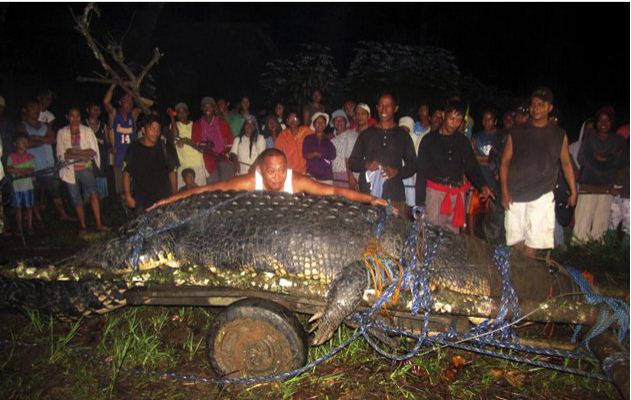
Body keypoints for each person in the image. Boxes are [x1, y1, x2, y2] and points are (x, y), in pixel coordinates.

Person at [148, 148, 389, 212]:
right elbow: (209, 189)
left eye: (281, 170)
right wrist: (168, 200)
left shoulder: (296, 182)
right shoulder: (250, 181)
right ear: (261, 171)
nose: (277, 177)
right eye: (271, 172)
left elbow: (335, 192)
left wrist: (370, 199)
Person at [500, 87, 577, 257]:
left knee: (534, 241)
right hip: (516, 193)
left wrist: (573, 191)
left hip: (542, 194)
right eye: (533, 104)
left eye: (541, 104)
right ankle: (522, 272)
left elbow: (566, 163)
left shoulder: (559, 134)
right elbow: (504, 161)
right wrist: (504, 191)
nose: (536, 108)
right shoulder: (518, 131)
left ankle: (525, 278)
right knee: (515, 240)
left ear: (550, 107)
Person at [415, 100, 494, 233]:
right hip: (434, 196)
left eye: (458, 119)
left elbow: (472, 166)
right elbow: (421, 172)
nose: (454, 123)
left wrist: (483, 185)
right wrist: (420, 202)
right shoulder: (429, 140)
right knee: (430, 234)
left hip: (456, 196)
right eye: (452, 117)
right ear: (443, 115)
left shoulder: (463, 142)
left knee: (452, 238)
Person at [348, 94, 417, 213]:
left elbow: (413, 165)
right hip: (367, 197)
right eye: (380, 106)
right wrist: (367, 164)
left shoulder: (403, 136)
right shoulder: (366, 134)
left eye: (388, 106)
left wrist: (397, 172)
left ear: (395, 108)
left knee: (393, 231)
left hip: (394, 196)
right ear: (377, 107)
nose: (383, 110)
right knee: (365, 231)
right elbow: (352, 162)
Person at [572, 106, 625, 243]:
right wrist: (608, 159)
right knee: (581, 229)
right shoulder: (589, 138)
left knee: (599, 229)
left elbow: (621, 162)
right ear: (597, 122)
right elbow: (582, 159)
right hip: (588, 188)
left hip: (607, 190)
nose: (603, 123)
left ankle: (595, 258)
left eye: (607, 120)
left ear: (612, 122)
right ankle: (578, 256)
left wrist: (599, 158)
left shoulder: (618, 140)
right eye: (601, 120)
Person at [16, 100, 73, 222]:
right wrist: (44, 139)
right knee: (34, 192)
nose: (36, 111)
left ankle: (63, 215)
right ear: (26, 109)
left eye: (37, 108)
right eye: (32, 107)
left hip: (48, 165)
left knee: (55, 191)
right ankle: (36, 218)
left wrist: (36, 138)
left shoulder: (45, 125)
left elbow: (53, 139)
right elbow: (25, 144)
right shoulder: (22, 126)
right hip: (31, 166)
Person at [56, 107, 110, 234]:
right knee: (76, 198)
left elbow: (92, 152)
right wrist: (82, 154)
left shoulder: (86, 131)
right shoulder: (62, 133)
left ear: (80, 117)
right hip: (69, 170)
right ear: (67, 117)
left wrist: (73, 152)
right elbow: (62, 155)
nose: (75, 119)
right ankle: (83, 225)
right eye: (72, 116)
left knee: (93, 193)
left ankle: (99, 223)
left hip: (86, 168)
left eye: (78, 116)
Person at [103, 83, 153, 195]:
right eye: (125, 100)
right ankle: (124, 209)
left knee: (134, 186)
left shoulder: (133, 114)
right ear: (120, 101)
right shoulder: (114, 113)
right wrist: (112, 85)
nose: (129, 103)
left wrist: (134, 95)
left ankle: (135, 208)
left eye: (131, 101)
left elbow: (150, 103)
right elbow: (106, 102)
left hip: (132, 155)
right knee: (121, 189)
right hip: (119, 155)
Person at [123, 115, 177, 215]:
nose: (156, 133)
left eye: (158, 129)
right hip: (142, 199)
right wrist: (127, 195)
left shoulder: (166, 147)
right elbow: (127, 172)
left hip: (163, 197)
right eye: (152, 129)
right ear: (143, 130)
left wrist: (174, 195)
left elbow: (172, 172)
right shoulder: (134, 148)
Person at [192, 97, 235, 184]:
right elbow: (196, 143)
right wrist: (206, 144)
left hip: (224, 159)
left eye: (210, 107)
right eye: (205, 107)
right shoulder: (197, 124)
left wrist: (223, 153)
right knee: (213, 189)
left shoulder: (222, 122)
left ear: (214, 108)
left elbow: (230, 141)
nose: (208, 109)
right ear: (202, 108)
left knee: (227, 187)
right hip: (208, 162)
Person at [169, 102, 206, 189]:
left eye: (183, 112)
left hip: (197, 164)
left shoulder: (195, 125)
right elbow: (175, 134)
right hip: (183, 165)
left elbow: (200, 146)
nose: (181, 114)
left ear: (188, 112)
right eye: (179, 112)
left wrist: (186, 140)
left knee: (201, 193)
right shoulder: (174, 125)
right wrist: (171, 117)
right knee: (184, 195)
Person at [6, 133, 36, 236]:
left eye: (26, 141)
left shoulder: (31, 157)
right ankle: (19, 228)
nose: (24, 143)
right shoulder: (11, 157)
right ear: (15, 143)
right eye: (21, 141)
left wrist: (17, 170)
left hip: (28, 186)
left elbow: (31, 170)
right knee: (18, 207)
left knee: (29, 207)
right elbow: (9, 169)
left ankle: (30, 226)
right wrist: (22, 171)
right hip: (16, 186)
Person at [84, 102, 109, 199]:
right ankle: (88, 200)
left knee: (100, 178)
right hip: (87, 157)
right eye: (93, 109)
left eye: (98, 109)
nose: (96, 112)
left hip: (101, 156)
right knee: (88, 177)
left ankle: (101, 199)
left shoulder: (103, 126)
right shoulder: (82, 124)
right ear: (88, 110)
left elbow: (107, 142)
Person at [303, 112, 336, 184]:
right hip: (311, 176)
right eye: (318, 122)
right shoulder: (308, 138)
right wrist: (315, 154)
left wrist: (318, 154)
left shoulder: (329, 139)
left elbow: (333, 155)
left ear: (325, 125)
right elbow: (305, 155)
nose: (320, 124)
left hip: (326, 177)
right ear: (314, 124)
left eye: (322, 122)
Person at [330, 109, 358, 189]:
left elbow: (350, 157)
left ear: (346, 122)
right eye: (336, 120)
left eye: (341, 120)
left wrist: (351, 176)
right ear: (333, 123)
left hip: (348, 175)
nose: (339, 123)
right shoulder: (332, 140)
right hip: (335, 176)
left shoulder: (352, 135)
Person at [398, 116, 419, 207]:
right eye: (401, 129)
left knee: (409, 202)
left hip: (408, 174)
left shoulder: (414, 139)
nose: (403, 132)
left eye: (406, 130)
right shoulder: (394, 138)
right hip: (394, 175)